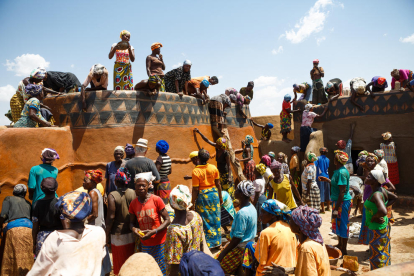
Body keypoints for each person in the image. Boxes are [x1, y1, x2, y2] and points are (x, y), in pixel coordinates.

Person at [28, 191, 106, 276]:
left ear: (64, 213)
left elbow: (38, 272)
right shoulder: (99, 233)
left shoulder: (55, 238)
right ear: (88, 210)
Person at [262, 205, 331, 276]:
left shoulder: (306, 248)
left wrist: (282, 275)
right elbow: (306, 269)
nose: (289, 221)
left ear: (299, 227)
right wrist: (285, 270)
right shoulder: (317, 240)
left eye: (292, 220)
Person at [129, 172, 171, 275]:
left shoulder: (156, 200)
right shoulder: (133, 203)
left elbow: (167, 220)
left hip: (160, 241)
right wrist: (135, 230)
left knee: (162, 269)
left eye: (144, 185)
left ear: (149, 186)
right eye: (138, 185)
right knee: (149, 268)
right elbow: (131, 223)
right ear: (135, 186)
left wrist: (154, 231)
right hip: (145, 243)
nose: (141, 188)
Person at [242, 199, 297, 276]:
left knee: (249, 248)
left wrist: (257, 259)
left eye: (263, 212)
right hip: (289, 273)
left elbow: (262, 261)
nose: (260, 214)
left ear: (273, 215)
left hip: (271, 273)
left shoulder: (265, 233)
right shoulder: (290, 228)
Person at [216, 181, 257, 275]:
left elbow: (237, 238)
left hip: (240, 248)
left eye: (237, 189)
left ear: (241, 194)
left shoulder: (242, 213)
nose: (235, 191)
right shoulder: (251, 207)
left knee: (217, 267)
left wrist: (223, 254)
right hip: (248, 243)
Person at [165, 185, 204, 276]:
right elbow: (201, 243)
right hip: (196, 266)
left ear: (171, 204)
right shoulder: (196, 217)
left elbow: (175, 264)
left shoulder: (174, 230)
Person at [319, 150, 352, 255]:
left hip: (342, 202)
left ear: (337, 160)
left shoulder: (342, 172)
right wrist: (327, 180)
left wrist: (337, 209)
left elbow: (342, 192)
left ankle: (344, 249)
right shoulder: (338, 171)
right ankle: (340, 244)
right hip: (337, 201)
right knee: (338, 223)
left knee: (343, 225)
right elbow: (338, 186)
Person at [364, 170, 397, 270]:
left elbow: (382, 211)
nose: (366, 177)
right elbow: (394, 197)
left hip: (376, 228)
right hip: (382, 226)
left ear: (375, 180)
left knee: (377, 255)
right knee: (383, 252)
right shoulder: (381, 190)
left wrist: (375, 216)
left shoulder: (376, 194)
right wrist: (384, 205)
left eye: (369, 176)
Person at [106, 168, 136, 275]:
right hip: (131, 232)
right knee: (130, 260)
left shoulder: (112, 195)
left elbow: (110, 217)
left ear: (116, 181)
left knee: (120, 263)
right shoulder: (133, 193)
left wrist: (106, 234)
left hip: (118, 234)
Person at [191, 149, 223, 249]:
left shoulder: (196, 171)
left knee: (204, 219)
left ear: (198, 158)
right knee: (216, 218)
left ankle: (207, 244)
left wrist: (192, 202)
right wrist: (220, 197)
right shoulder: (213, 168)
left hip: (203, 197)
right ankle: (217, 243)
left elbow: (195, 189)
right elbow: (218, 184)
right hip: (214, 196)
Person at [83, 170, 113, 276]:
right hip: (99, 227)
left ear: (92, 181)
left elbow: (94, 214)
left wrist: (83, 221)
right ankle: (106, 271)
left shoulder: (92, 193)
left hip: (95, 227)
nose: (83, 182)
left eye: (85, 180)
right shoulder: (96, 191)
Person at [0, 184, 33, 276]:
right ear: (24, 193)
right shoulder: (28, 203)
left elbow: (3, 215)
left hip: (14, 229)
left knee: (11, 256)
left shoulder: (8, 199)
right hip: (29, 230)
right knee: (27, 256)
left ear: (14, 192)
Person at [194, 129, 234, 198]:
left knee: (228, 190)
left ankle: (228, 203)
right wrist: (199, 132)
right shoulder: (217, 148)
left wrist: (229, 176)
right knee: (221, 189)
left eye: (218, 144)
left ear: (221, 146)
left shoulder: (226, 153)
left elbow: (229, 165)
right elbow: (207, 140)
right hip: (219, 173)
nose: (216, 145)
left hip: (226, 174)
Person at [32, 178, 62, 257]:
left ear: (42, 189)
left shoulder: (37, 204)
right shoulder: (60, 204)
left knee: (43, 265)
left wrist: (34, 242)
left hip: (42, 238)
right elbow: (64, 222)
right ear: (56, 188)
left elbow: (35, 226)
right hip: (58, 237)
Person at [358, 153, 379, 245]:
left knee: (371, 225)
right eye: (368, 161)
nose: (369, 162)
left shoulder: (378, 173)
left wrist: (379, 194)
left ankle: (372, 246)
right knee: (367, 223)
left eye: (372, 161)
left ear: (376, 162)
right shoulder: (368, 172)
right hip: (367, 202)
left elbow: (389, 186)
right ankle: (370, 245)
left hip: (373, 204)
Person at [155, 140, 172, 204]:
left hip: (161, 184)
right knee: (166, 202)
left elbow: (156, 171)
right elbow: (170, 171)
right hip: (167, 183)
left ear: (158, 149)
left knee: (161, 203)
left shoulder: (160, 158)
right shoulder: (168, 157)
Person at [253, 164, 268, 232]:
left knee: (260, 217)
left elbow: (256, 195)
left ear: (258, 172)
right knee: (263, 216)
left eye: (255, 169)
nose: (254, 170)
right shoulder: (262, 178)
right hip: (263, 198)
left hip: (259, 201)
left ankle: (261, 232)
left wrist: (253, 204)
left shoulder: (257, 182)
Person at [315, 147, 330, 213]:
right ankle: (329, 207)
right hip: (327, 177)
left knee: (321, 192)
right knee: (327, 192)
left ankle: (323, 209)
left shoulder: (317, 158)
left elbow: (315, 166)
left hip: (320, 178)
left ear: (320, 152)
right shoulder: (328, 159)